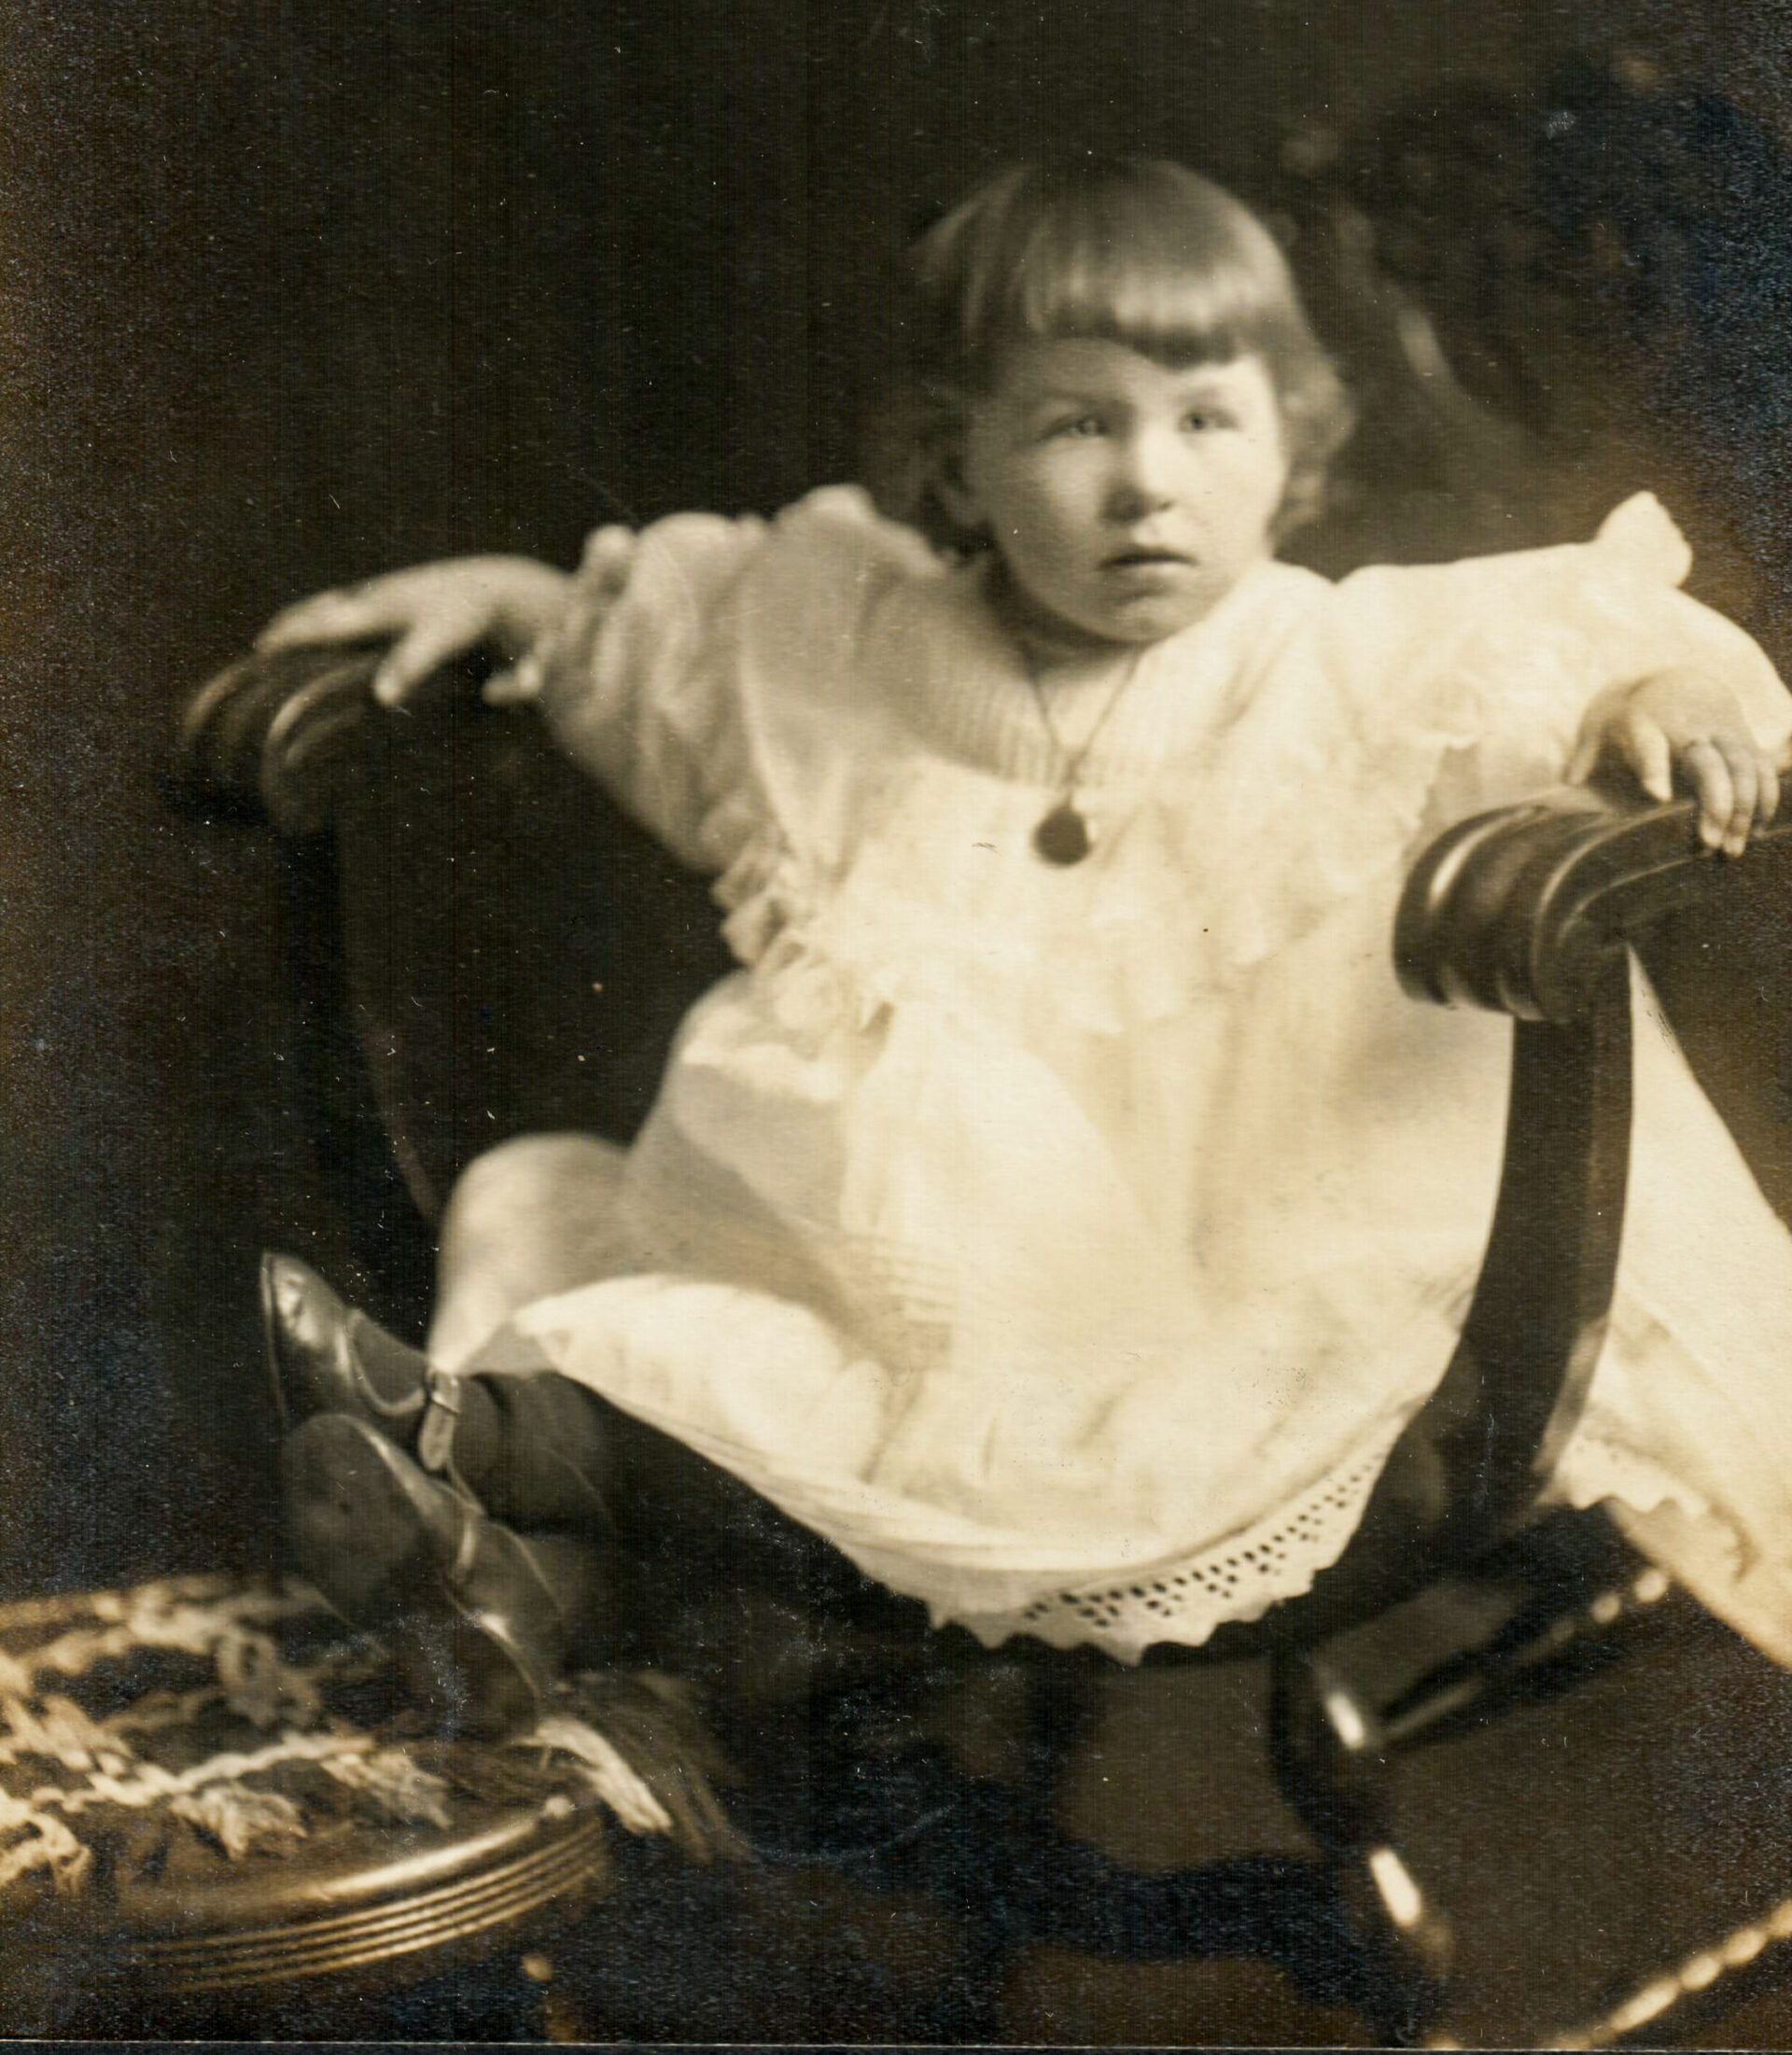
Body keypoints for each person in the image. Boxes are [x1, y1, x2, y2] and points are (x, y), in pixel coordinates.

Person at [259, 157, 1792, 1739]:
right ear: (956, 456)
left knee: (1010, 1427)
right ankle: (513, 1573)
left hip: (1193, 1274)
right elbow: (648, 638)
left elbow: (1570, 648)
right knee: (728, 1351)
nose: (1149, 481)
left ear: (1290, 441)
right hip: (851, 1272)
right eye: (1077, 423)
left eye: (1207, 420)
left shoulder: (1331, 658)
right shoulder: (849, 636)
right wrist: (513, 600)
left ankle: (478, 1444)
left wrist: (1652, 700)